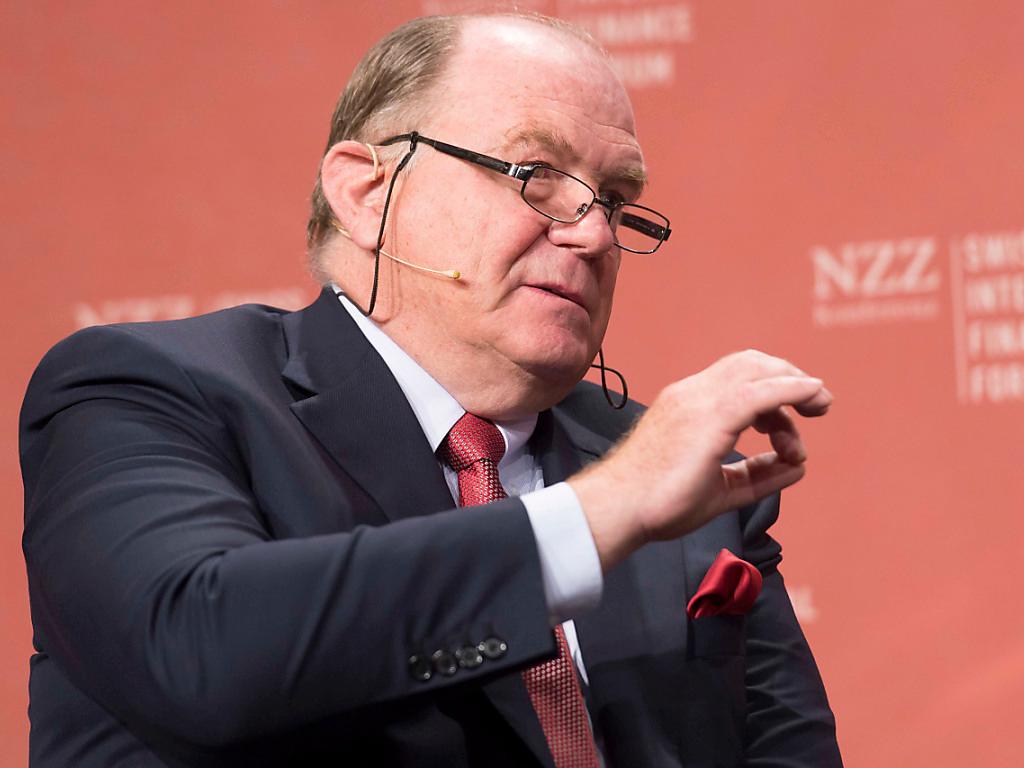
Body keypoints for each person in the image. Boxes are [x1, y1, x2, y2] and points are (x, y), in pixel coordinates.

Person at [20, 12, 842, 768]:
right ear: (366, 194)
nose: (595, 234)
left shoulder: (681, 484)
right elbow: (200, 647)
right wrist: (599, 513)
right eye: (536, 173)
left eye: (616, 200)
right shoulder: (147, 390)